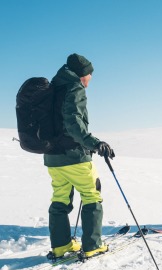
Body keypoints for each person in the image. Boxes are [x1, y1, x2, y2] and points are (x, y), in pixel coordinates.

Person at [45, 53, 115, 258]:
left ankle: (61, 246)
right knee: (92, 195)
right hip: (74, 156)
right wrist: (95, 143)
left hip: (52, 158)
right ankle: (93, 245)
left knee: (59, 199)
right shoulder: (75, 88)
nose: (90, 79)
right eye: (90, 75)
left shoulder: (53, 89)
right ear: (82, 74)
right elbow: (74, 123)